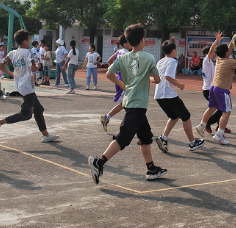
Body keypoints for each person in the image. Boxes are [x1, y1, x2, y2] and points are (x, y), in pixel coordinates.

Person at [88, 23, 166, 184]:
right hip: (138, 105)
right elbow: (157, 80)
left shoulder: (122, 57)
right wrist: (148, 78)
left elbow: (109, 73)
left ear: (129, 42)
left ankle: (151, 168)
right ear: (143, 40)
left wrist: (123, 84)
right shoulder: (149, 58)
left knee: (145, 137)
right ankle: (99, 162)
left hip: (131, 101)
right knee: (123, 138)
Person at [0, 29, 59, 143]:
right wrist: (38, 65)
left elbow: (0, 65)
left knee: (38, 110)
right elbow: (33, 69)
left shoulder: (12, 53)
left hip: (20, 84)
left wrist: (13, 74)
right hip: (28, 86)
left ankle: (46, 135)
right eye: (29, 39)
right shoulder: (29, 52)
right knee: (26, 114)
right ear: (24, 41)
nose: (30, 41)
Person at [195, 32, 236, 145]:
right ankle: (219, 134)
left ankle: (201, 125)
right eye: (229, 50)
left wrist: (232, 42)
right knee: (226, 111)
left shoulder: (219, 59)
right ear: (227, 53)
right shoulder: (229, 62)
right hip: (221, 89)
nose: (230, 50)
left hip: (213, 87)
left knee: (212, 108)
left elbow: (225, 50)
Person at [154, 38, 205, 153]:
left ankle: (163, 138)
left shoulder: (160, 61)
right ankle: (192, 143)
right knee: (186, 116)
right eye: (176, 49)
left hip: (159, 95)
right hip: (168, 95)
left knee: (174, 116)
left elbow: (157, 78)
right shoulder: (173, 61)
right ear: (173, 51)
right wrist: (178, 84)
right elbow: (167, 76)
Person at [99, 34, 132, 132]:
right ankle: (107, 118)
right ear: (125, 43)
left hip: (118, 79)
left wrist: (116, 70)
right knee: (128, 104)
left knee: (126, 104)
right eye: (129, 41)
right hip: (124, 81)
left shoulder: (119, 51)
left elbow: (109, 61)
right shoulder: (127, 54)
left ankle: (107, 117)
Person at [200, 45, 225, 135]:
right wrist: (217, 41)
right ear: (208, 54)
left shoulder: (211, 63)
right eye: (213, 52)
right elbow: (211, 52)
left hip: (213, 89)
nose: (215, 54)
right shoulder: (207, 61)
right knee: (222, 109)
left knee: (221, 108)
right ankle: (208, 123)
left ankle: (220, 125)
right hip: (208, 90)